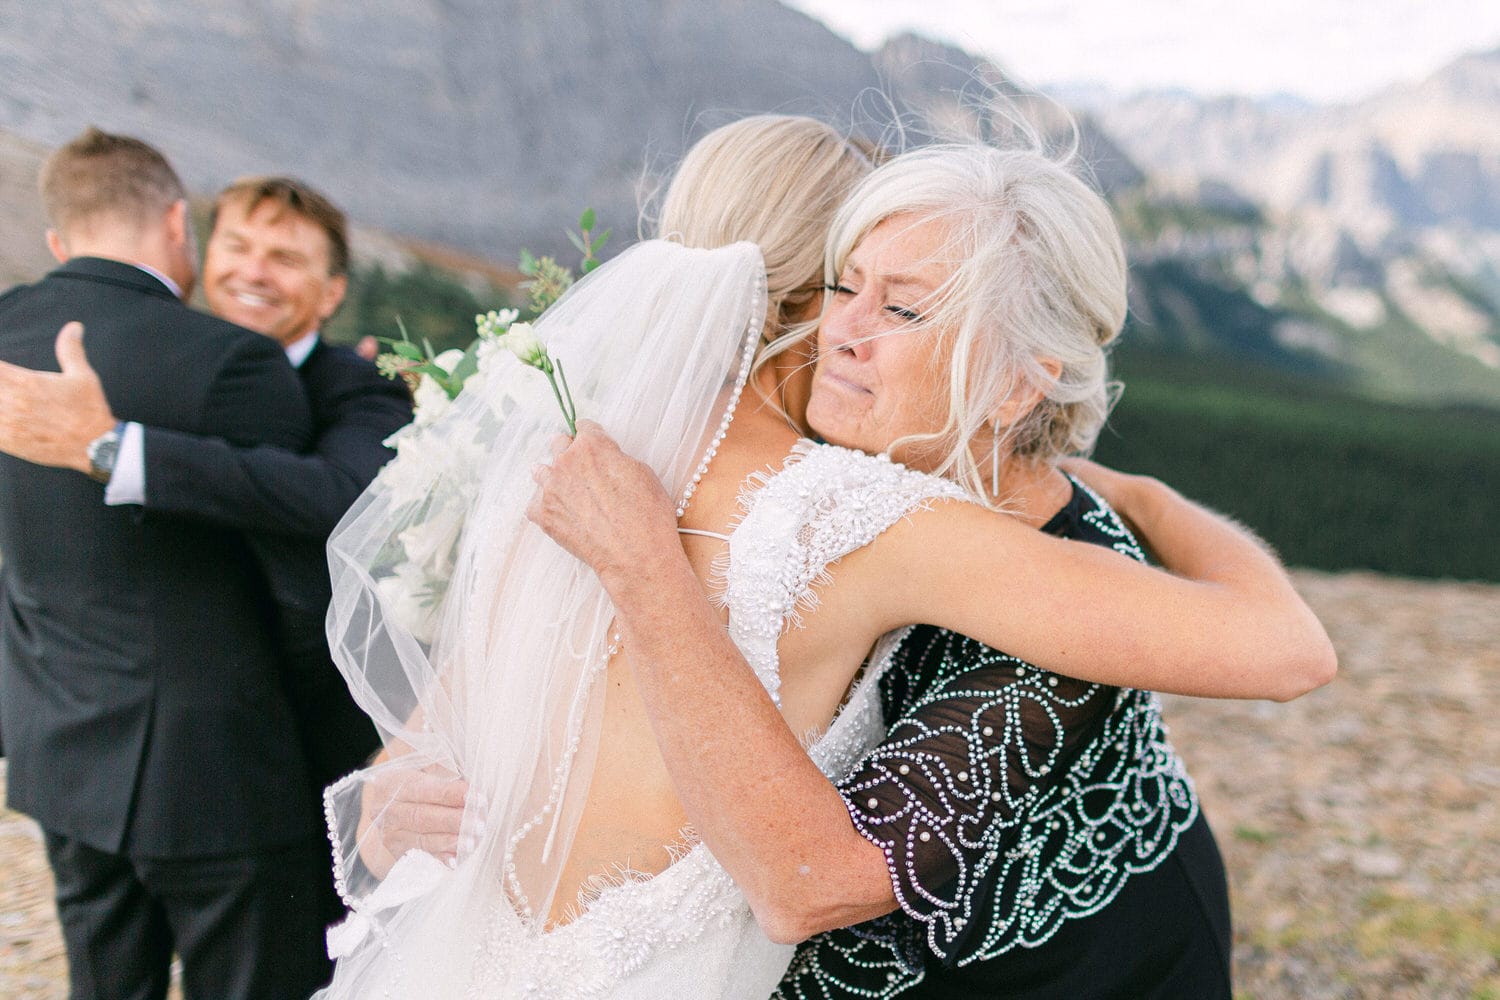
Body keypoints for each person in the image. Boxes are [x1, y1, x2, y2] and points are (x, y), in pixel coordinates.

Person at [322, 116, 1332, 998]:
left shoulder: (582, 449)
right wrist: (390, 793)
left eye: (902, 304)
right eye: (848, 285)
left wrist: (1147, 501)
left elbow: (806, 876)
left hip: (1079, 965)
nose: (851, 329)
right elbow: (460, 722)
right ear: (805, 290)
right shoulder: (816, 504)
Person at [0, 175, 414, 938]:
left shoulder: (361, 384)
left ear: (330, 295)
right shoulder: (159, 363)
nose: (253, 271)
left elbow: (347, 493)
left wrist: (115, 451)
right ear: (197, 253)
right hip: (128, 758)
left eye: (285, 258)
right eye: (238, 246)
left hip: (302, 756)